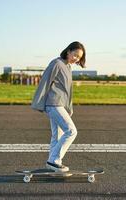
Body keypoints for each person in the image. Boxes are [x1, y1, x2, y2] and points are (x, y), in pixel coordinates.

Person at [31, 41, 86, 172]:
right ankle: (54, 160)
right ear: (68, 51)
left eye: (79, 58)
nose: (76, 59)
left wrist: (69, 108)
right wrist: (39, 103)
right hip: (53, 104)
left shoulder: (67, 67)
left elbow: (67, 90)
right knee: (71, 131)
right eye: (75, 55)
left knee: (57, 136)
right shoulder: (56, 63)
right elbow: (45, 81)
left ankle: (52, 164)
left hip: (60, 105)